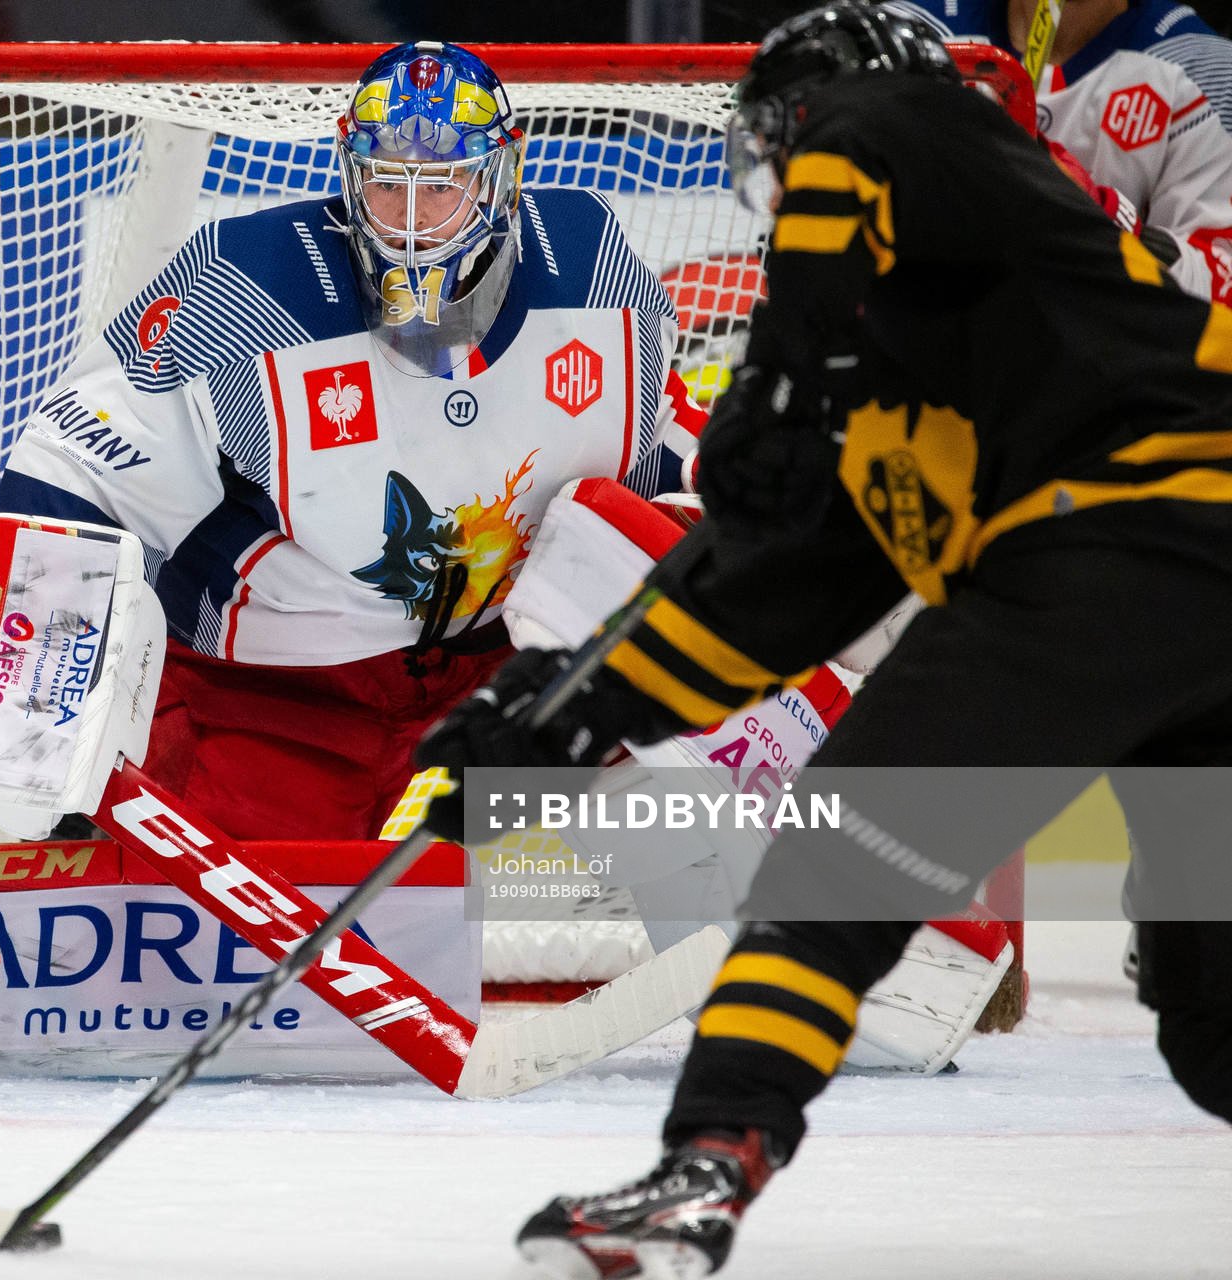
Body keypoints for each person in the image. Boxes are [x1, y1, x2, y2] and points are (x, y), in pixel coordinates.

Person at [414, 4, 1232, 1276]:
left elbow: (859, 139)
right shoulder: (903, 390)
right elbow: (764, 603)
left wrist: (786, 375)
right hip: (1189, 625)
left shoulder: (918, 130)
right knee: (1216, 1015)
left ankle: (706, 1165)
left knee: (834, 864)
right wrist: (560, 715)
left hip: (1122, 545)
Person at [0, 40, 705, 841]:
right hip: (284, 694)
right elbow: (73, 464)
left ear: (505, 175)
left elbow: (662, 452)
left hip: (515, 670)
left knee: (698, 773)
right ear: (348, 171)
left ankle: (794, 927)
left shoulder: (599, 277)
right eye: (386, 186)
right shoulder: (248, 290)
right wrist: (41, 722)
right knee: (203, 942)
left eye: (441, 186)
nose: (409, 224)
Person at [893, 0, 1232, 303]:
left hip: (1098, 355)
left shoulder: (1207, 70)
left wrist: (1094, 218)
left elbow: (1221, 291)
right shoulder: (905, 32)